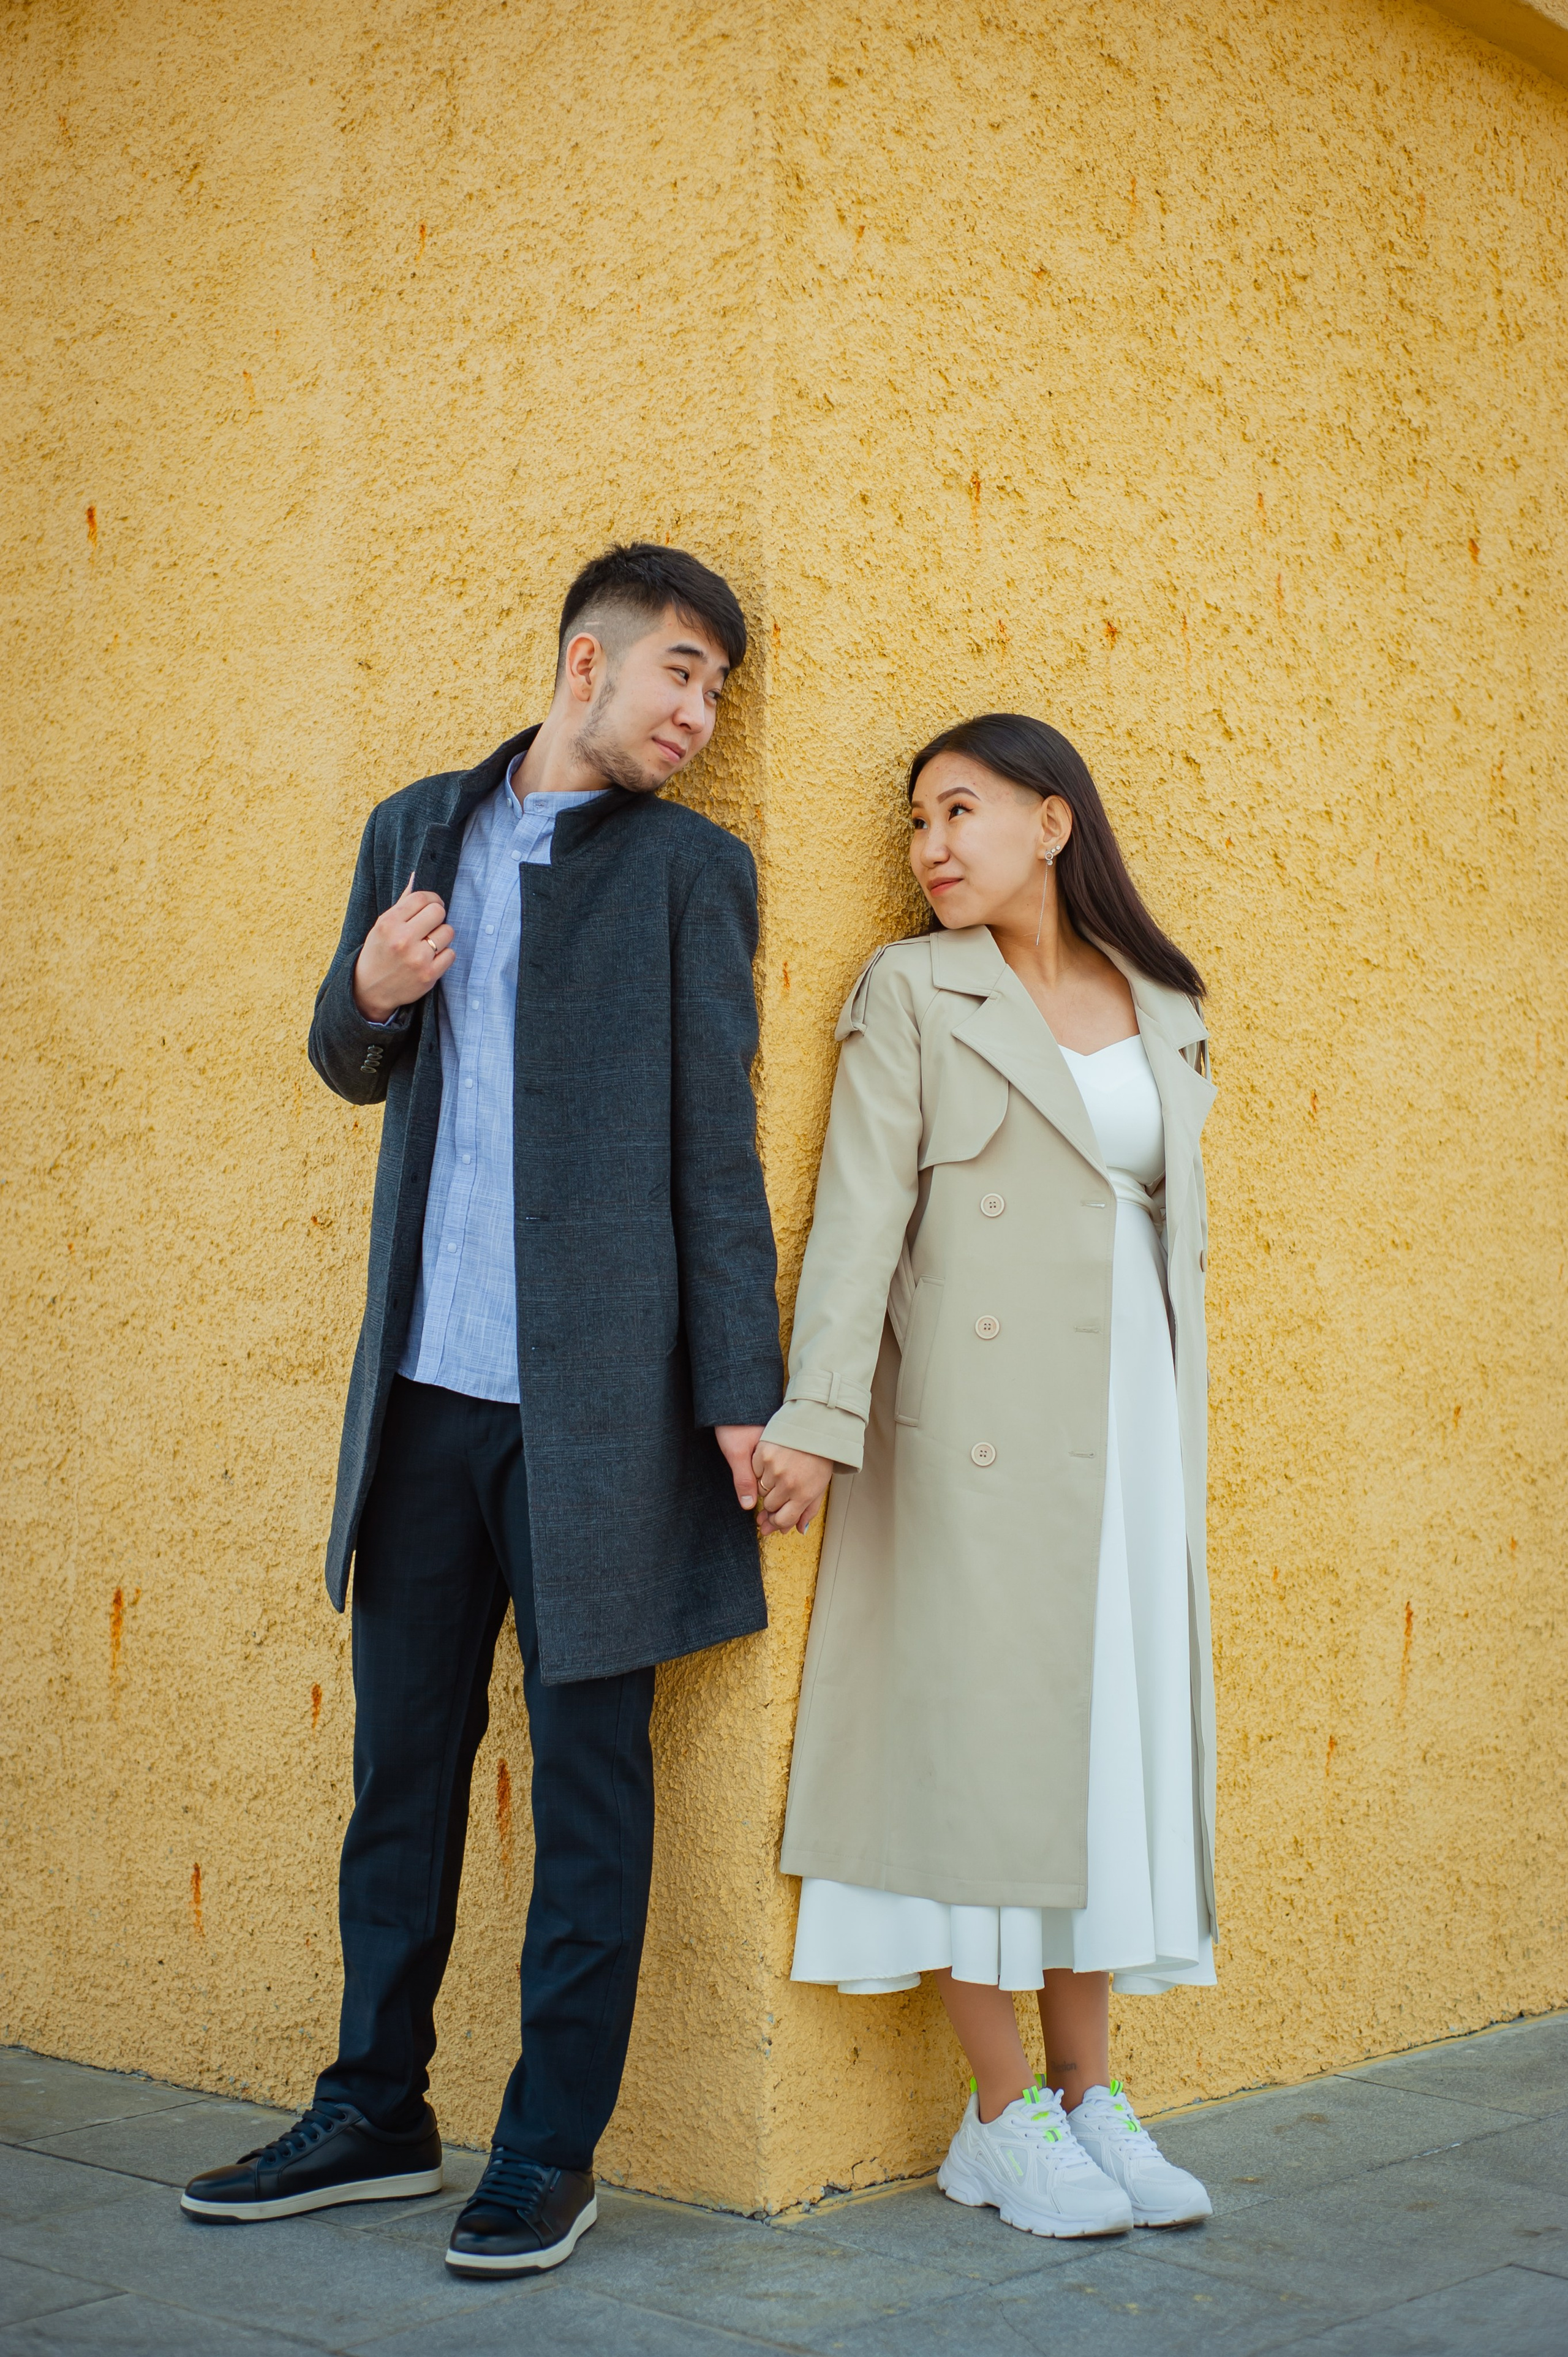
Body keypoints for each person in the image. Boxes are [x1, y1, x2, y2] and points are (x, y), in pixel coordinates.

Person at [182, 544, 783, 2277]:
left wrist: (741, 1393)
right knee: (402, 1775)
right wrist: (367, 993)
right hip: (427, 1402)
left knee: (592, 1790)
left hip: (601, 1419)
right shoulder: (413, 832)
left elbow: (716, 1160)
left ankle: (546, 2149)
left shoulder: (691, 875)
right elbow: (342, 1055)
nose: (697, 713)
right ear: (583, 661)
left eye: (719, 691)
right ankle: (375, 2106)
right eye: (679, 672)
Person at [751, 711, 1218, 2239]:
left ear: (1052, 820)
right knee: (971, 1743)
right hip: (970, 1429)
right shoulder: (911, 989)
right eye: (913, 822)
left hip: (1126, 1421)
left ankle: (1090, 2099)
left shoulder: (1158, 999)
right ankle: (999, 2112)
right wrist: (815, 1416)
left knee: (1099, 1745)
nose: (930, 847)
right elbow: (856, 1214)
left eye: (959, 811)